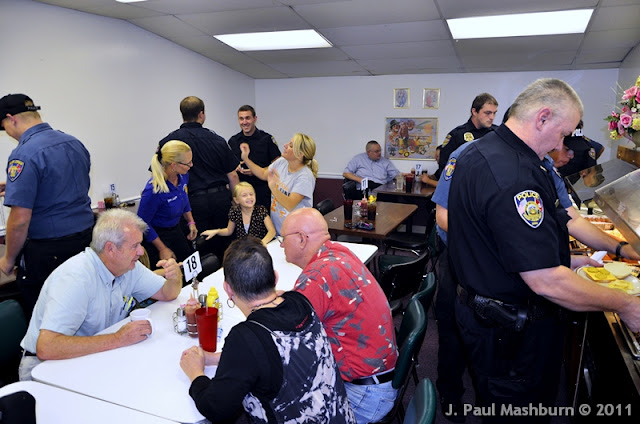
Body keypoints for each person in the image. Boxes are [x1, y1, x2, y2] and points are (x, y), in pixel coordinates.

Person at [446, 78, 640, 422]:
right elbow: (546, 281)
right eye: (562, 134)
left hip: (489, 312)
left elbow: (502, 238)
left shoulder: (487, 151)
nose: (560, 145)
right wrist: (626, 305)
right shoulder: (514, 174)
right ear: (543, 117)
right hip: (508, 329)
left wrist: (575, 257)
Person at [179, 236, 355, 424]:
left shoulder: (246, 336)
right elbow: (271, 356)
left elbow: (215, 408)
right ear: (275, 277)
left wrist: (195, 372)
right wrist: (215, 358)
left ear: (228, 290)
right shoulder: (300, 301)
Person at [18, 209, 182, 380]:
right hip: (44, 368)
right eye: (135, 246)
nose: (141, 251)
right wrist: (118, 338)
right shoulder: (76, 278)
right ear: (110, 248)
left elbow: (167, 294)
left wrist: (175, 277)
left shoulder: (128, 267)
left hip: (89, 357)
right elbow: (47, 347)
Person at [280, 208, 398, 424]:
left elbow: (284, 342)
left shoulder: (316, 277)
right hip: (382, 376)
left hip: (365, 396)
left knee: (282, 401)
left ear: (302, 239)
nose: (281, 245)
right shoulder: (338, 253)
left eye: (283, 238)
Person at [0, 94, 94, 319]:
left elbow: (20, 219)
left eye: (3, 127)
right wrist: (15, 187)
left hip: (50, 253)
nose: (7, 133)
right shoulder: (73, 142)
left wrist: (8, 260)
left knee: (49, 317)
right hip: (86, 242)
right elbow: (63, 185)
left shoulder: (23, 154)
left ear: (11, 119)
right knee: (84, 308)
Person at [157, 96, 239, 260]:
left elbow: (160, 176)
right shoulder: (218, 140)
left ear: (182, 114)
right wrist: (236, 202)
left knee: (195, 250)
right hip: (220, 200)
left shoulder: (168, 142)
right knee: (224, 248)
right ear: (201, 114)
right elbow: (233, 175)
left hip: (190, 204)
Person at [240, 133, 317, 235]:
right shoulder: (281, 162)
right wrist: (246, 159)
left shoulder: (305, 177)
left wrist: (273, 187)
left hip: (297, 233)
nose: (285, 145)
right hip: (279, 230)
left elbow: (289, 204)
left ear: (300, 154)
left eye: (290, 146)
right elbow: (263, 173)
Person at [137, 140, 197, 269]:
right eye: (188, 163)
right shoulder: (154, 190)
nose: (191, 165)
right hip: (157, 236)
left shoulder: (183, 177)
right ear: (174, 165)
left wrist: (191, 222)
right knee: (168, 272)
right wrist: (162, 248)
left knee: (188, 265)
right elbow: (142, 222)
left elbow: (184, 199)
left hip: (175, 229)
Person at [228, 105, 281, 210]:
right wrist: (235, 167)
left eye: (247, 118)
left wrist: (258, 171)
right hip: (241, 192)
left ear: (255, 119)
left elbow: (278, 165)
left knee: (263, 220)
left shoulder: (266, 139)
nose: (244, 122)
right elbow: (228, 166)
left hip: (262, 191)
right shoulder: (233, 141)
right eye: (241, 119)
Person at [201, 182, 276, 246]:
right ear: (236, 200)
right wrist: (216, 231)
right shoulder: (235, 211)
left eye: (251, 194)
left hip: (260, 247)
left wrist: (262, 243)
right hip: (243, 248)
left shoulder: (261, 210)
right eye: (244, 195)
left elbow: (272, 231)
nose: (249, 197)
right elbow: (229, 230)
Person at [438, 93, 498, 171]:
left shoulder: (497, 133)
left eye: (494, 113)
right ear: (474, 111)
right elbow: (445, 167)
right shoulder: (457, 135)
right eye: (487, 113)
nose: (492, 117)